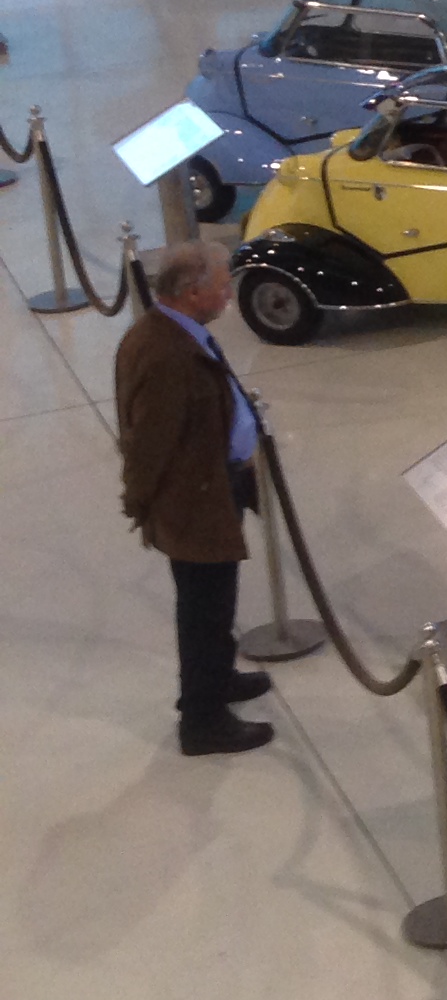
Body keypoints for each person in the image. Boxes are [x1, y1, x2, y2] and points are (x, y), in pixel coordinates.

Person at [116, 241, 274, 755]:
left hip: (211, 488)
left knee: (216, 601)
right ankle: (203, 721)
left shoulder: (178, 333)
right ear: (191, 292)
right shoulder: (166, 354)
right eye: (222, 287)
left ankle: (219, 678)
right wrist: (142, 503)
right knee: (204, 610)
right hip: (193, 502)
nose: (228, 296)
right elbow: (149, 442)